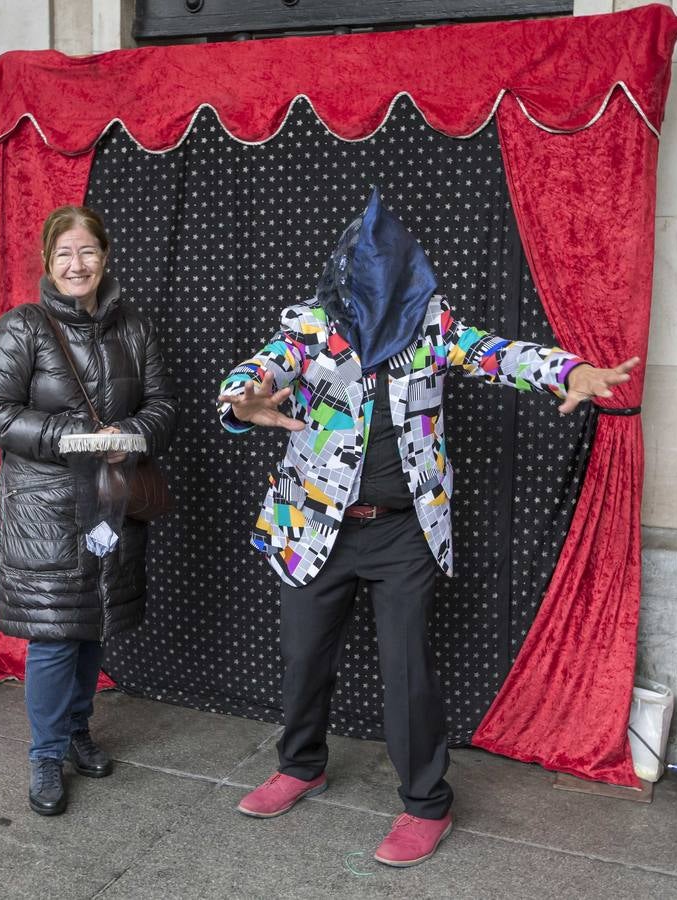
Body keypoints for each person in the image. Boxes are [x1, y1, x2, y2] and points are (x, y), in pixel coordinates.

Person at [217, 189, 637, 867]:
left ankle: (425, 805)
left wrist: (571, 370)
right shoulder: (313, 330)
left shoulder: (431, 330)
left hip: (403, 532)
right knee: (302, 657)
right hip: (315, 525)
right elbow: (259, 370)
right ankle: (300, 766)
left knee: (407, 669)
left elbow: (500, 353)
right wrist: (243, 401)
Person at [0, 205, 177, 817]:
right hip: (46, 510)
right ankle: (45, 754)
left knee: (94, 627)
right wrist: (67, 435)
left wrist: (132, 433)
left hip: (111, 505)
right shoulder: (22, 328)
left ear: (106, 257)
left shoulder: (133, 330)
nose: (76, 263)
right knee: (55, 636)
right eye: (64, 253)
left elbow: (164, 405)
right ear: (47, 261)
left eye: (87, 251)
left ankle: (79, 730)